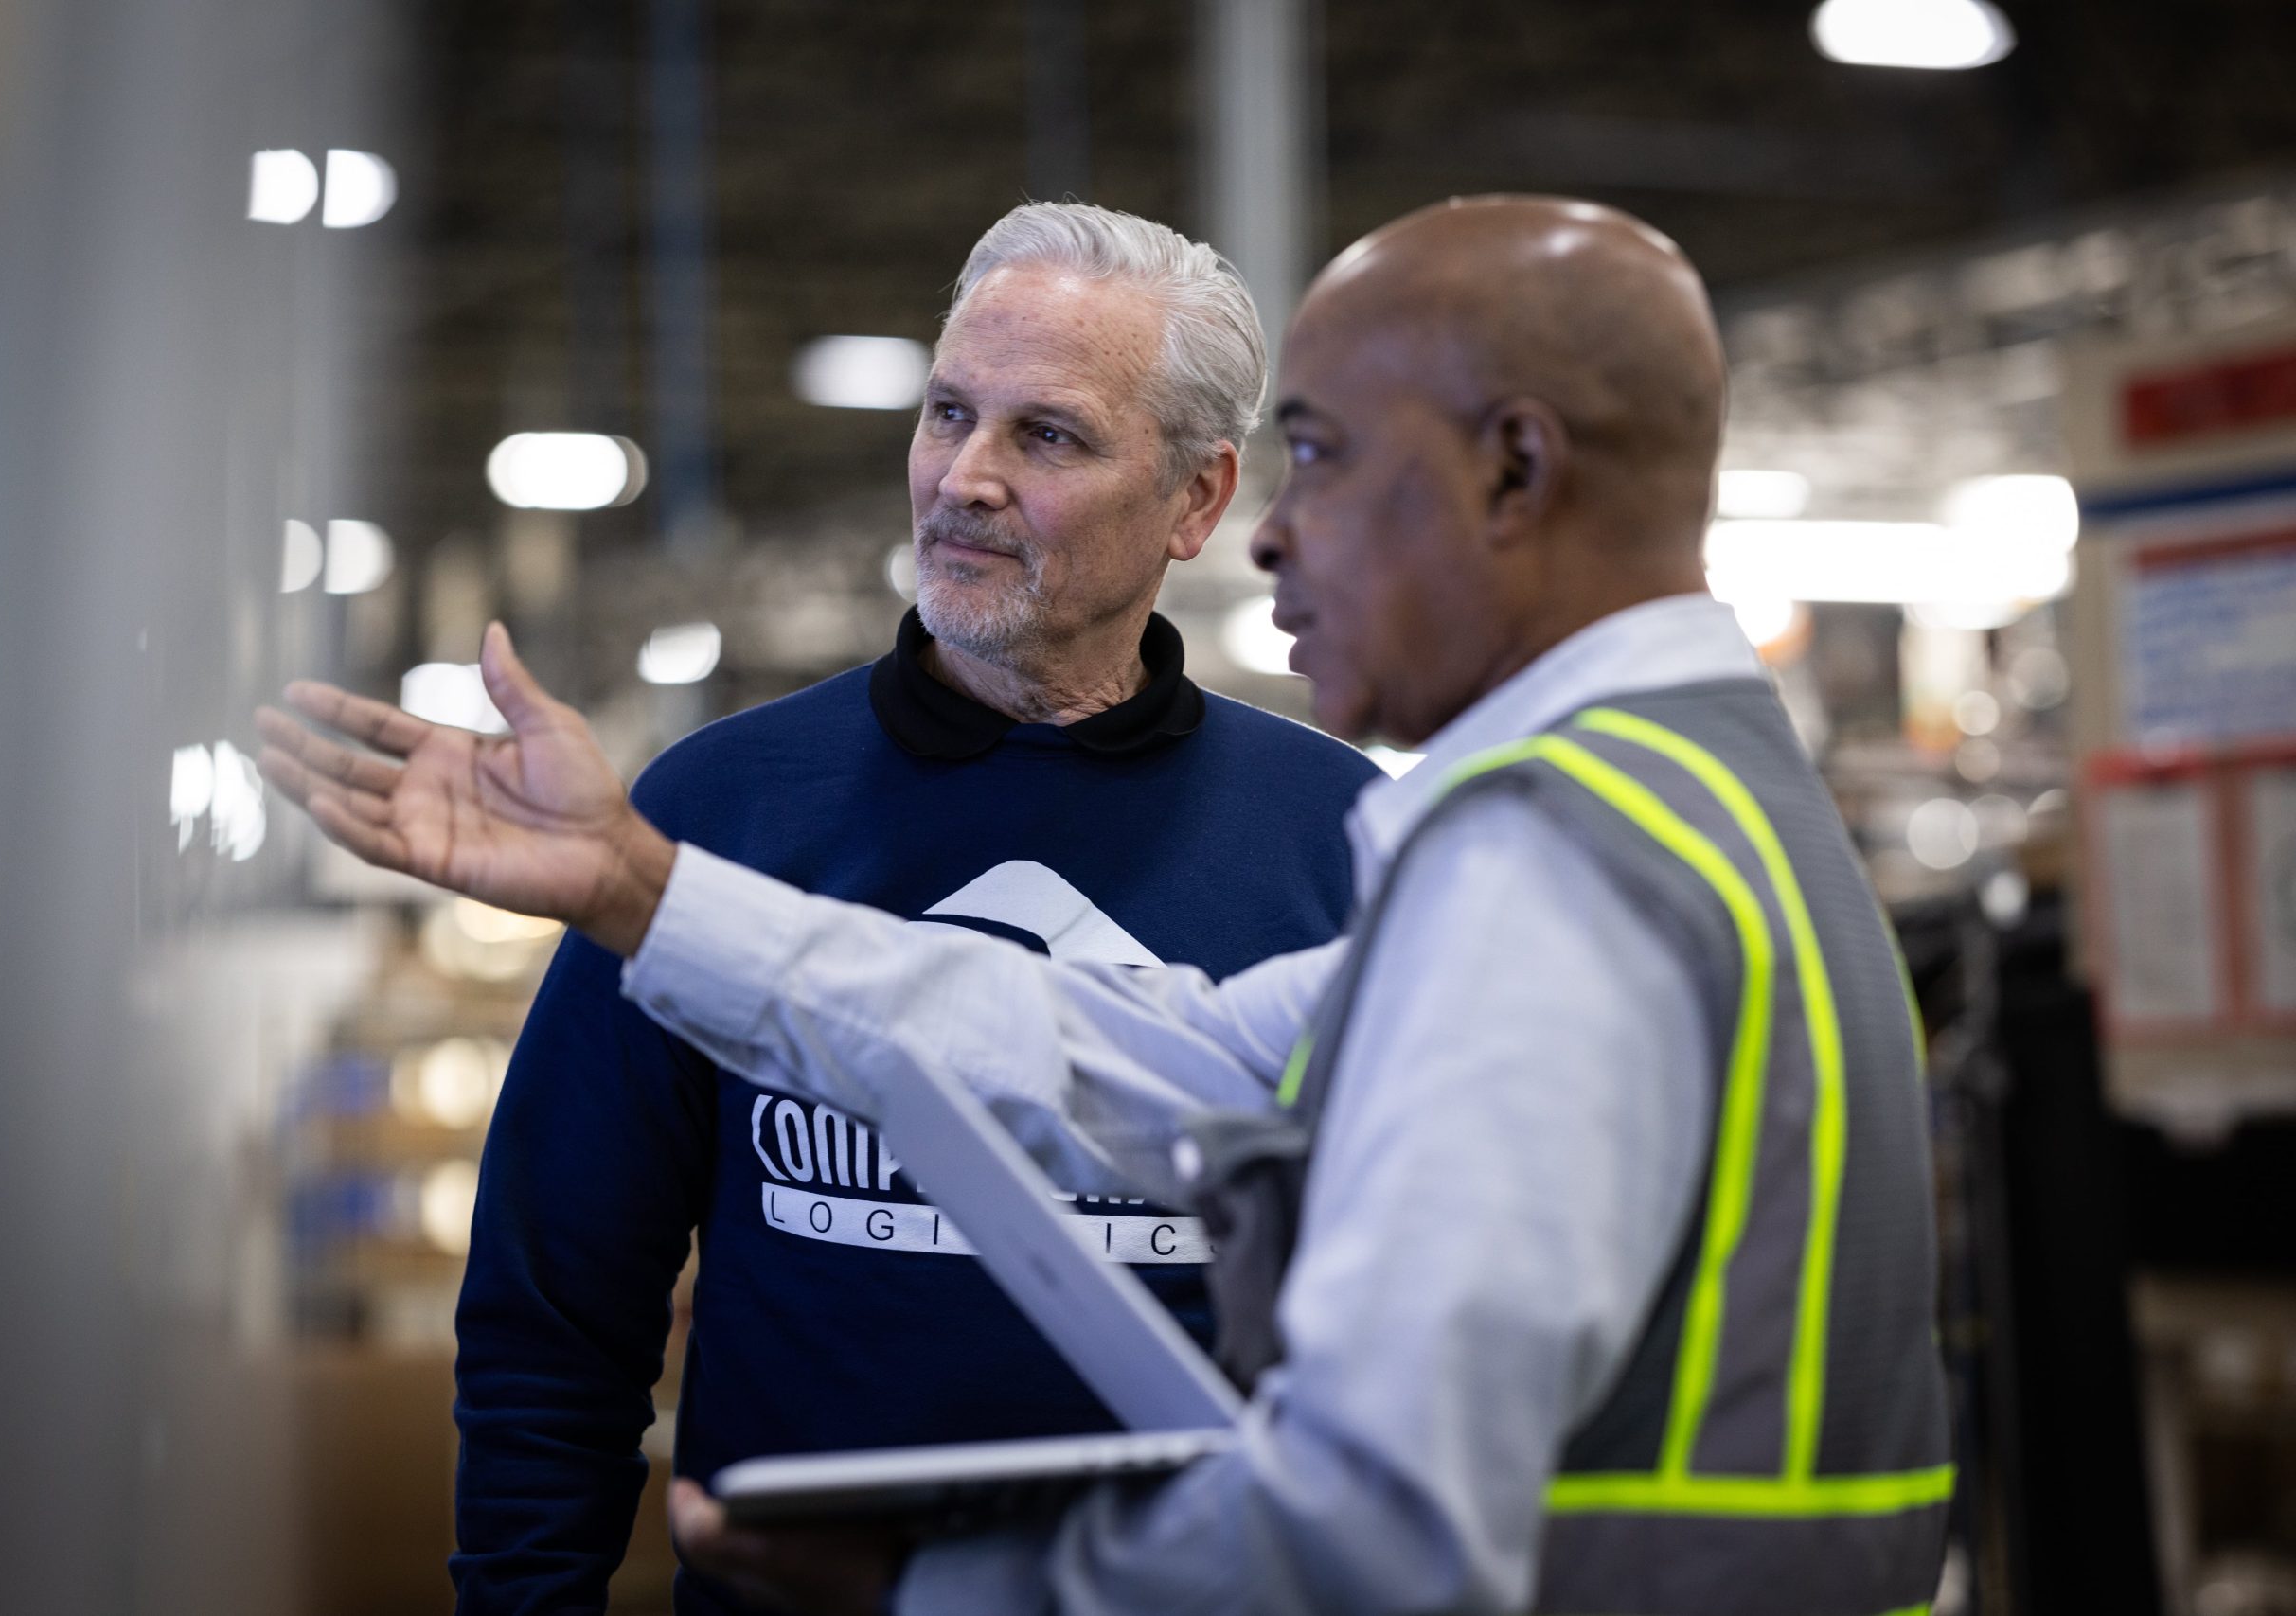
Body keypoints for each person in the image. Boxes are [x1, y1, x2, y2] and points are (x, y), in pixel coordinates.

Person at [261, 195, 1950, 1615]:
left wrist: (929, 1589)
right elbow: (1145, 1057)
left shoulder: (1544, 865)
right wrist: (648, 893)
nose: (1283, 540)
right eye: (948, 413)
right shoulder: (1696, 812)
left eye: (1327, 459)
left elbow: (1384, 1525)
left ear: (1513, 472)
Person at [288, 202, 1379, 1614]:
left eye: (1047, 436)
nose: (965, 477)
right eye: (947, 414)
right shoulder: (718, 813)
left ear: (1196, 499)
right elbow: (558, 1306)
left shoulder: (1338, 843)